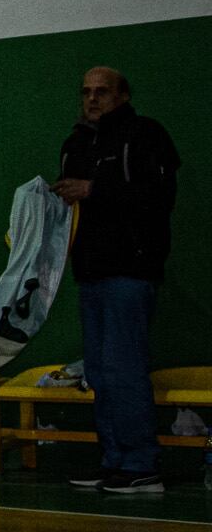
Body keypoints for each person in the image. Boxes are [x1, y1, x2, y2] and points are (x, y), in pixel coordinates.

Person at [54, 67, 181, 495]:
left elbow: (158, 196)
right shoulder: (75, 144)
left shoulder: (145, 135)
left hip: (131, 269)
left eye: (102, 92)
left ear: (122, 95)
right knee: (100, 372)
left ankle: (142, 463)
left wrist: (95, 189)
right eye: (86, 91)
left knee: (125, 370)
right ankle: (114, 461)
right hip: (89, 272)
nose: (92, 99)